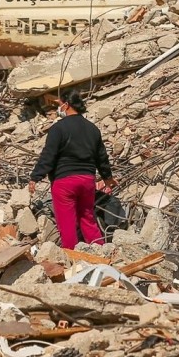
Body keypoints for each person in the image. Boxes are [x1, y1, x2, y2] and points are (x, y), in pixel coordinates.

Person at [28, 90, 115, 249]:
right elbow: (101, 157)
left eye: (60, 105)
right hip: (87, 181)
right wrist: (107, 178)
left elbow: (49, 155)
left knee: (67, 224)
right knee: (88, 218)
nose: (58, 109)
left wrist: (36, 176)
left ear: (66, 105)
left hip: (64, 182)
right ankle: (101, 251)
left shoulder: (58, 128)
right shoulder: (92, 129)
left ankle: (71, 258)